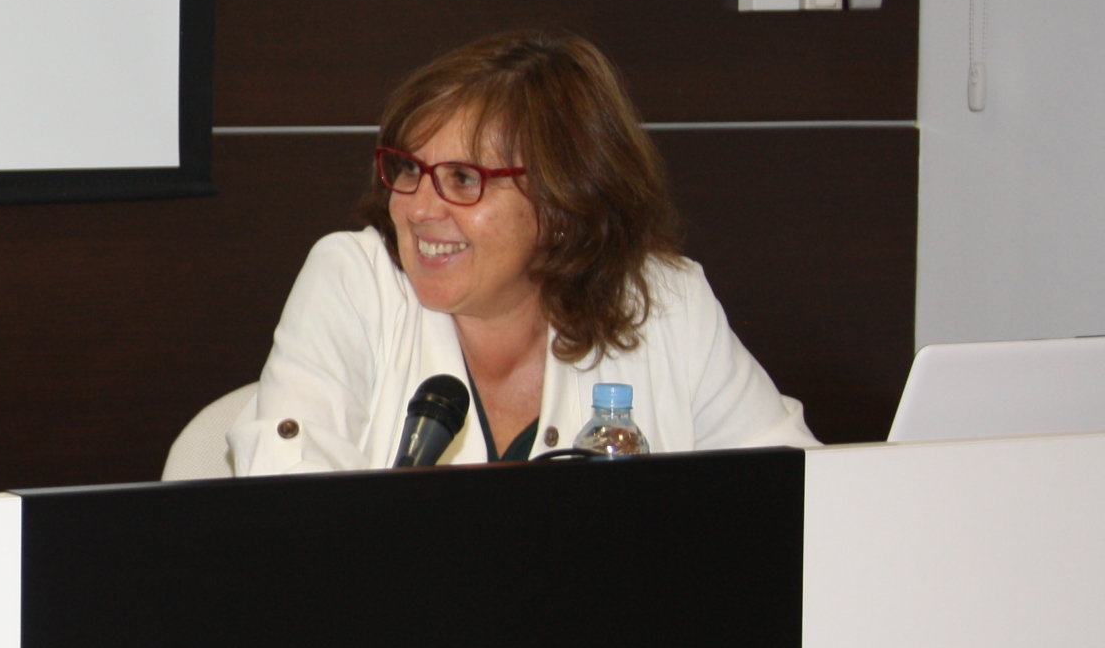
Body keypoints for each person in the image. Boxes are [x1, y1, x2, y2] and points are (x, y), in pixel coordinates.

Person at [202, 29, 815, 476]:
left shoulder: (663, 302)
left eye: (463, 179)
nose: (419, 208)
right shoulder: (353, 282)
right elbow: (289, 519)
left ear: (563, 203)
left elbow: (806, 497)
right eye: (408, 169)